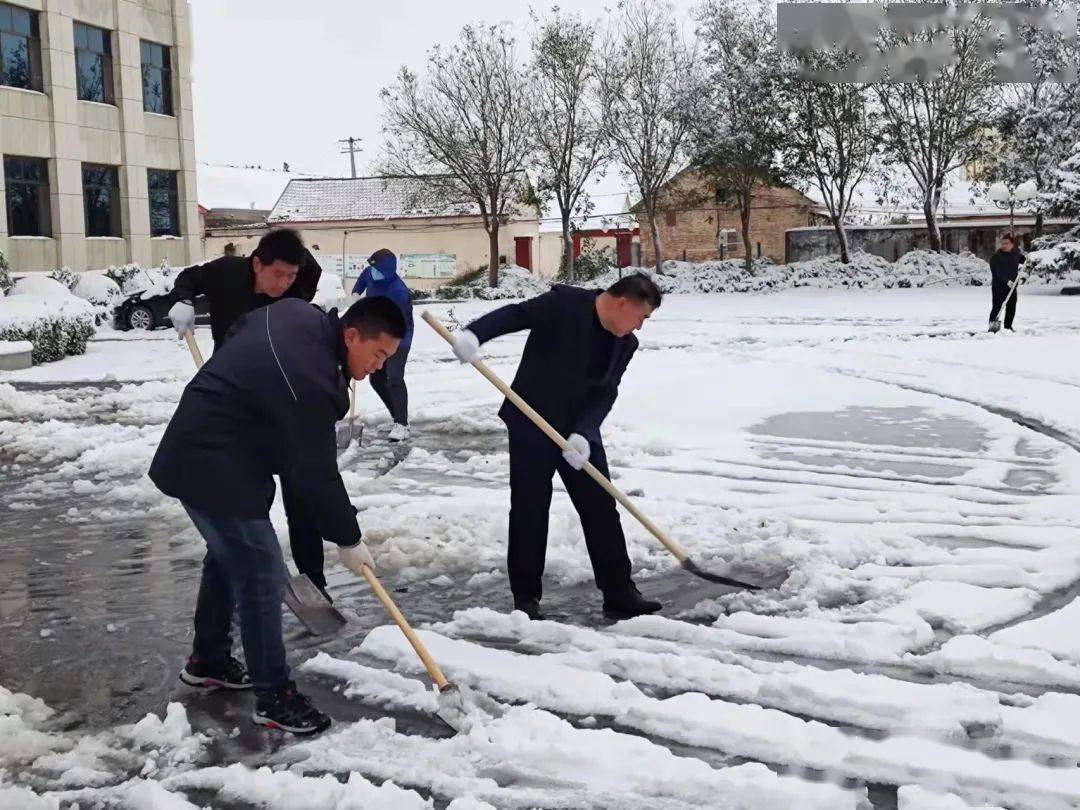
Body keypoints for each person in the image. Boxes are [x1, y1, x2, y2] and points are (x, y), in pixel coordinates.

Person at [150, 296, 407, 735]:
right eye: (378, 354)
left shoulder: (297, 314)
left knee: (228, 554)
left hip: (214, 448)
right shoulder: (308, 381)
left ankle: (209, 660)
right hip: (211, 464)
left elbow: (240, 328)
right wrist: (348, 539)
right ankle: (273, 697)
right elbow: (316, 472)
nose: (380, 367)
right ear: (351, 336)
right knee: (262, 576)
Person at [450, 274, 664, 620]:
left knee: (600, 506)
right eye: (643, 317)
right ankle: (526, 599)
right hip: (531, 420)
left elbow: (605, 392)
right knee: (529, 509)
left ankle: (619, 592)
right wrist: (476, 333)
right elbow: (517, 314)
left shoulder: (624, 345)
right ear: (624, 302)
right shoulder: (565, 304)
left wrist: (584, 432)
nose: (640, 327)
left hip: (578, 434)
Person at [167, 230, 332, 594]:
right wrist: (183, 300)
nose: (285, 284)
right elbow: (188, 279)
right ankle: (242, 583)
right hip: (234, 402)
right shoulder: (226, 273)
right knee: (246, 496)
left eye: (291, 276)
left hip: (282, 396)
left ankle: (313, 583)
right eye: (278, 275)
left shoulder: (302, 276)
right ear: (256, 264)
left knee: (300, 488)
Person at [351, 248, 414, 442]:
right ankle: (397, 417)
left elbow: (398, 323)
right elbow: (363, 279)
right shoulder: (372, 272)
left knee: (394, 377)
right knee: (376, 379)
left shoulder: (399, 292)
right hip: (376, 333)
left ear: (387, 271)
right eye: (372, 268)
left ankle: (402, 425)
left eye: (377, 270)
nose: (373, 272)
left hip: (399, 336)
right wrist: (355, 295)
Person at [989, 233, 1026, 332]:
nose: (1004, 245)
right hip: (999, 286)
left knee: (1011, 307)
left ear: (1012, 244)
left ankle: (1008, 327)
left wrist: (1025, 257)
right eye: (1003, 243)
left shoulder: (1015, 253)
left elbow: (1023, 261)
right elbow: (996, 272)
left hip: (1012, 286)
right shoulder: (996, 257)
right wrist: (1007, 281)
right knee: (997, 306)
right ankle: (993, 327)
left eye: (1006, 243)